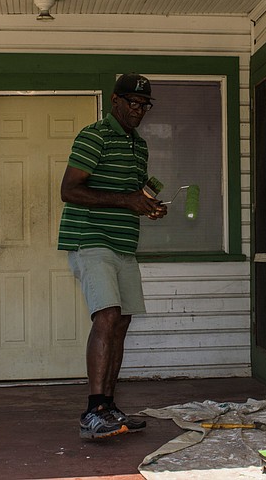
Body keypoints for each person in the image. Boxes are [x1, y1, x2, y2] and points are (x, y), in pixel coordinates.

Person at [58, 73, 167, 440]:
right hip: (91, 240)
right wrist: (127, 201)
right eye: (132, 103)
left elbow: (132, 193)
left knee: (120, 323)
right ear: (115, 101)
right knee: (105, 317)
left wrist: (148, 206)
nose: (138, 110)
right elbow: (70, 190)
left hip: (124, 244)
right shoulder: (94, 136)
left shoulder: (140, 145)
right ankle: (92, 410)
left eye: (144, 105)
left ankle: (108, 405)